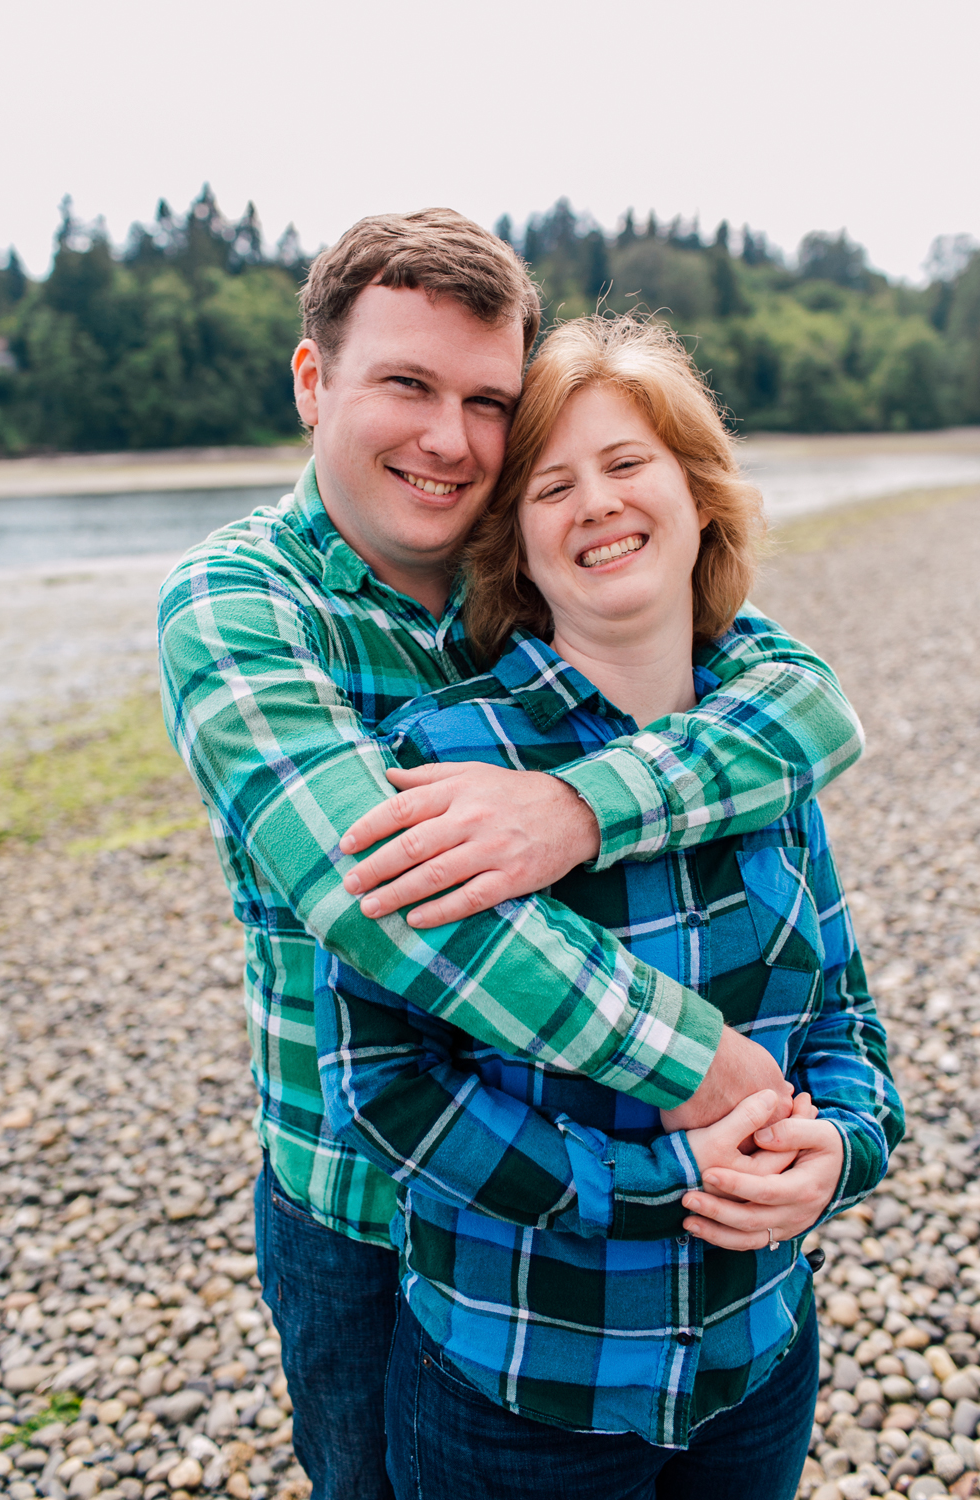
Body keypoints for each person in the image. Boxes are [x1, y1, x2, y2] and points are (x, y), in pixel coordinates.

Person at [158, 211, 866, 1500]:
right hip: (363, 1201)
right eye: (406, 385)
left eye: (488, 401)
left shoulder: (542, 588)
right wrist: (708, 1070)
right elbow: (392, 914)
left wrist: (577, 807)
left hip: (640, 1246)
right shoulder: (239, 604)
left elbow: (808, 709)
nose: (449, 438)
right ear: (314, 381)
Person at [316, 315, 904, 1500]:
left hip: (755, 1364)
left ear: (698, 500)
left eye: (627, 465)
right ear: (514, 549)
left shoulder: (764, 749)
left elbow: (843, 1024)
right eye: (550, 485)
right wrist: (655, 1180)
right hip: (522, 1386)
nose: (595, 505)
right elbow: (387, 1088)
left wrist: (837, 1153)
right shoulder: (439, 759)